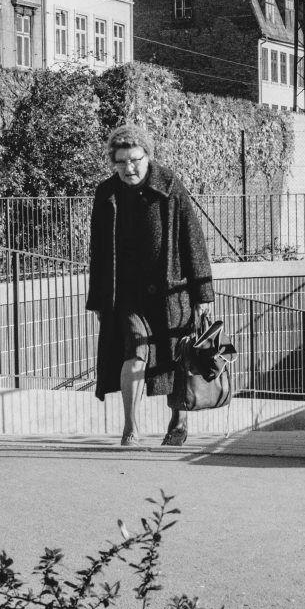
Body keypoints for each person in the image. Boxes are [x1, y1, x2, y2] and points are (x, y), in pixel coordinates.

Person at [86, 124, 214, 447]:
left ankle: (178, 420)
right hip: (127, 296)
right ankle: (131, 427)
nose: (129, 168)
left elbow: (192, 239)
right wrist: (99, 301)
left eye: (135, 160)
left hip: (170, 291)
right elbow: (98, 253)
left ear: (148, 156)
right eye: (121, 162)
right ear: (113, 163)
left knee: (176, 355)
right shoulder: (106, 195)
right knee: (136, 349)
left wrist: (202, 293)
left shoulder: (169, 186)